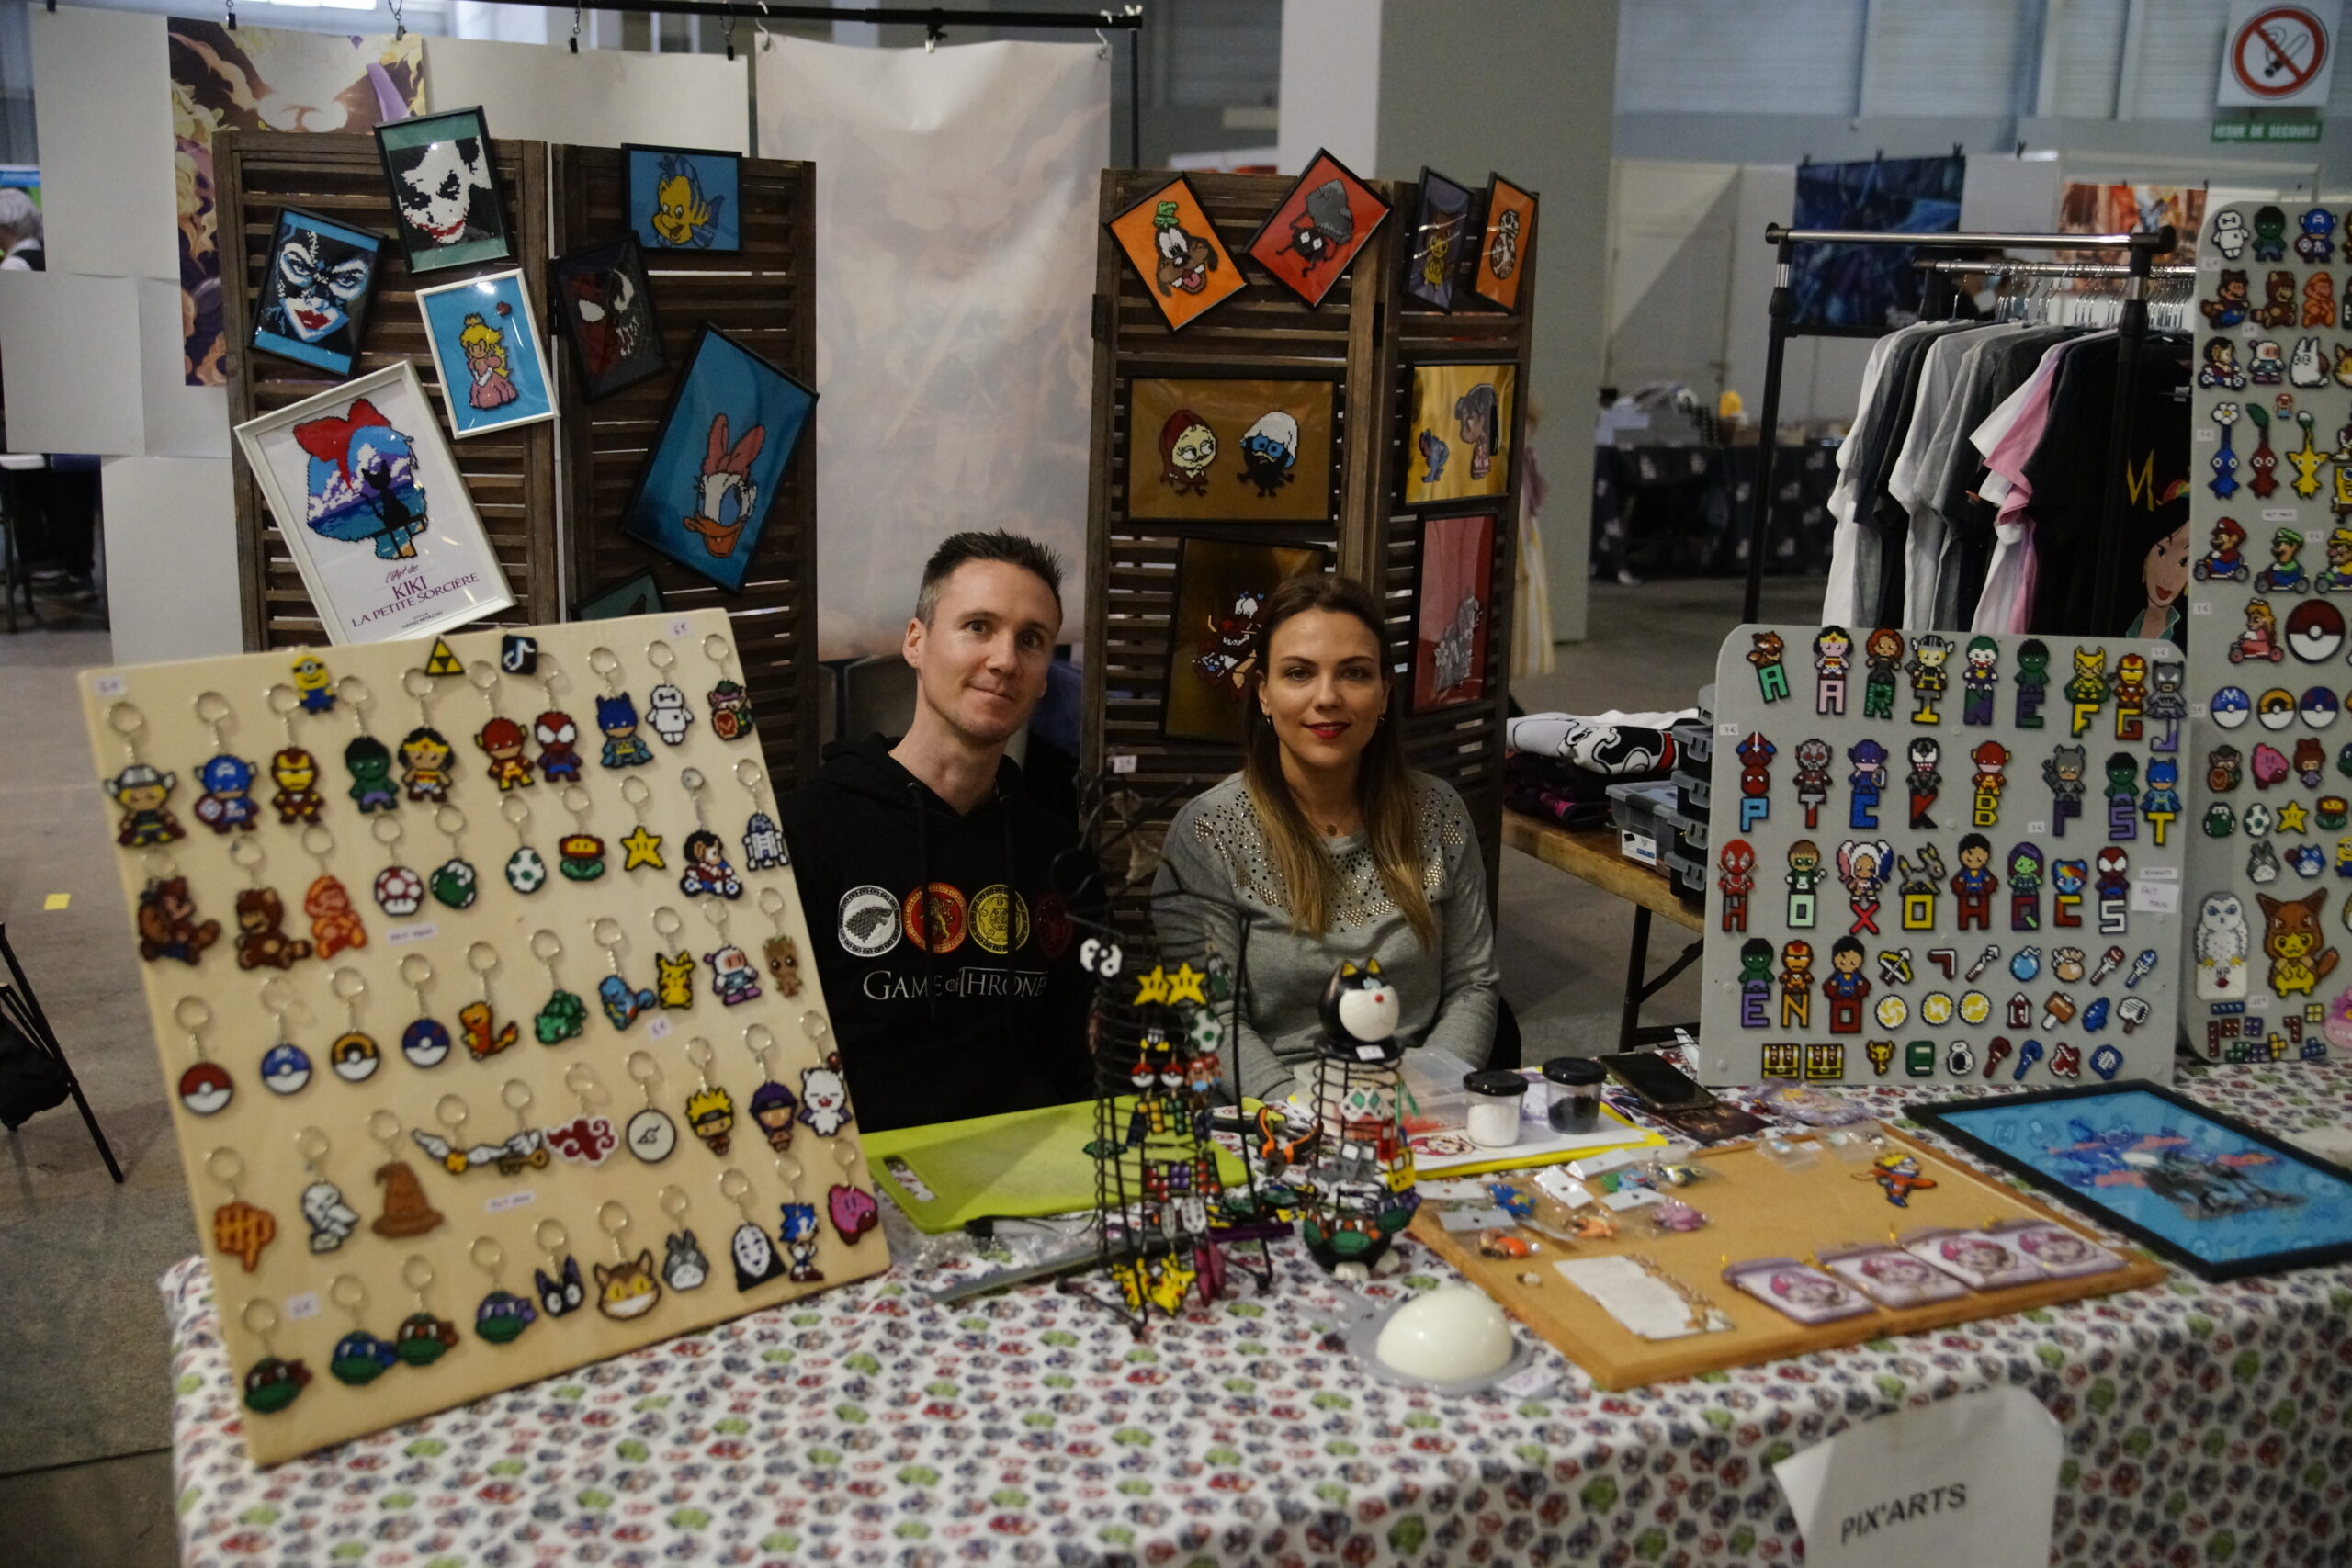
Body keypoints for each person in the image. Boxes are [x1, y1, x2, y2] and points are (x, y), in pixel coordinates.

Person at [775, 530, 1094, 1133]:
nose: (1005, 660)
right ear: (916, 642)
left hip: (1032, 1170)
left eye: (1031, 639)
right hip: (855, 1169)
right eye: (978, 626)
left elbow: (1072, 1058)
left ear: (1044, 677)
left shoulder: (1063, 857)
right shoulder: (804, 831)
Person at [1153, 574, 1500, 1096]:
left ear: (1384, 694)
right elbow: (1212, 1018)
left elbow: (1473, 984)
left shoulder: (1439, 811)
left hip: (1421, 1103)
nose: (1327, 697)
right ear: (1264, 693)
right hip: (1275, 1112)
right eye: (1299, 673)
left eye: (1354, 673)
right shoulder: (1207, 832)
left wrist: (1429, 1095)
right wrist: (1301, 1114)